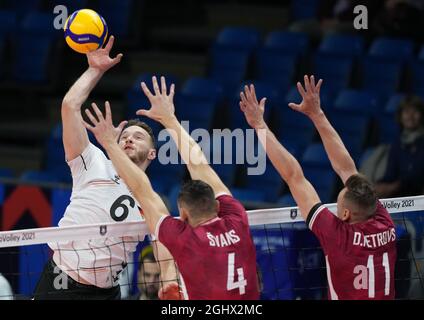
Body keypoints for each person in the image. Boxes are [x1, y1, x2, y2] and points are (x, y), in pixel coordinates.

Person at [83, 76, 260, 300]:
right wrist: (170, 120)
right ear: (217, 204)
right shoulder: (237, 216)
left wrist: (109, 143)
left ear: (183, 214)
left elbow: (142, 190)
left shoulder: (184, 239)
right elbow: (200, 166)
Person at [33, 36, 177, 300]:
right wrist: (95, 70)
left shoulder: (149, 198)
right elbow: (69, 106)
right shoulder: (95, 160)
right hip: (61, 282)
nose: (129, 139)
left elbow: (163, 243)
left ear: (153, 153)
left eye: (138, 137)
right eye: (124, 137)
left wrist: (170, 283)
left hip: (107, 292)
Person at [239, 75, 397, 300]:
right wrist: (317, 113)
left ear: (345, 214)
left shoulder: (337, 234)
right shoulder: (384, 223)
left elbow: (294, 177)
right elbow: (347, 170)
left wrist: (259, 125)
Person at [375, 95, 424, 198]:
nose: (410, 116)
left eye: (415, 112)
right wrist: (381, 186)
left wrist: (396, 186)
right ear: (401, 116)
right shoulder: (397, 144)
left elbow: (416, 175)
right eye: (406, 112)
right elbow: (390, 174)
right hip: (399, 196)